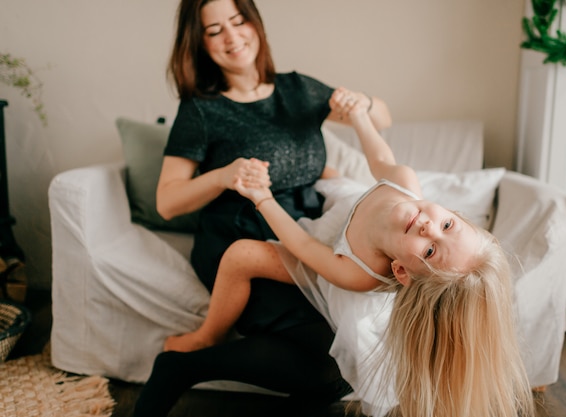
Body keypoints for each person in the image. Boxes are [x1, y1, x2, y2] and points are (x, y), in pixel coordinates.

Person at [163, 89, 537, 417]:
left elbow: (306, 246)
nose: (429, 228)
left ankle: (206, 337)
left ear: (402, 272)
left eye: (429, 249)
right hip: (345, 214)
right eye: (447, 225)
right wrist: (358, 115)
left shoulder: (360, 274)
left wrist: (262, 198)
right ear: (453, 213)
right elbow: (379, 156)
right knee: (327, 171)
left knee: (242, 254)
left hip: (330, 260)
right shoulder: (406, 185)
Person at [133, 0, 392, 416]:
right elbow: (167, 202)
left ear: (255, 24)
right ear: (199, 42)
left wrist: (357, 101)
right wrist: (222, 175)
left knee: (349, 356)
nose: (232, 37)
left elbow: (382, 117)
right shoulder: (202, 109)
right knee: (331, 362)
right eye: (215, 30)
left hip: (306, 229)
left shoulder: (298, 89)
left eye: (238, 22)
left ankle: (179, 367)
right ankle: (180, 368)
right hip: (240, 235)